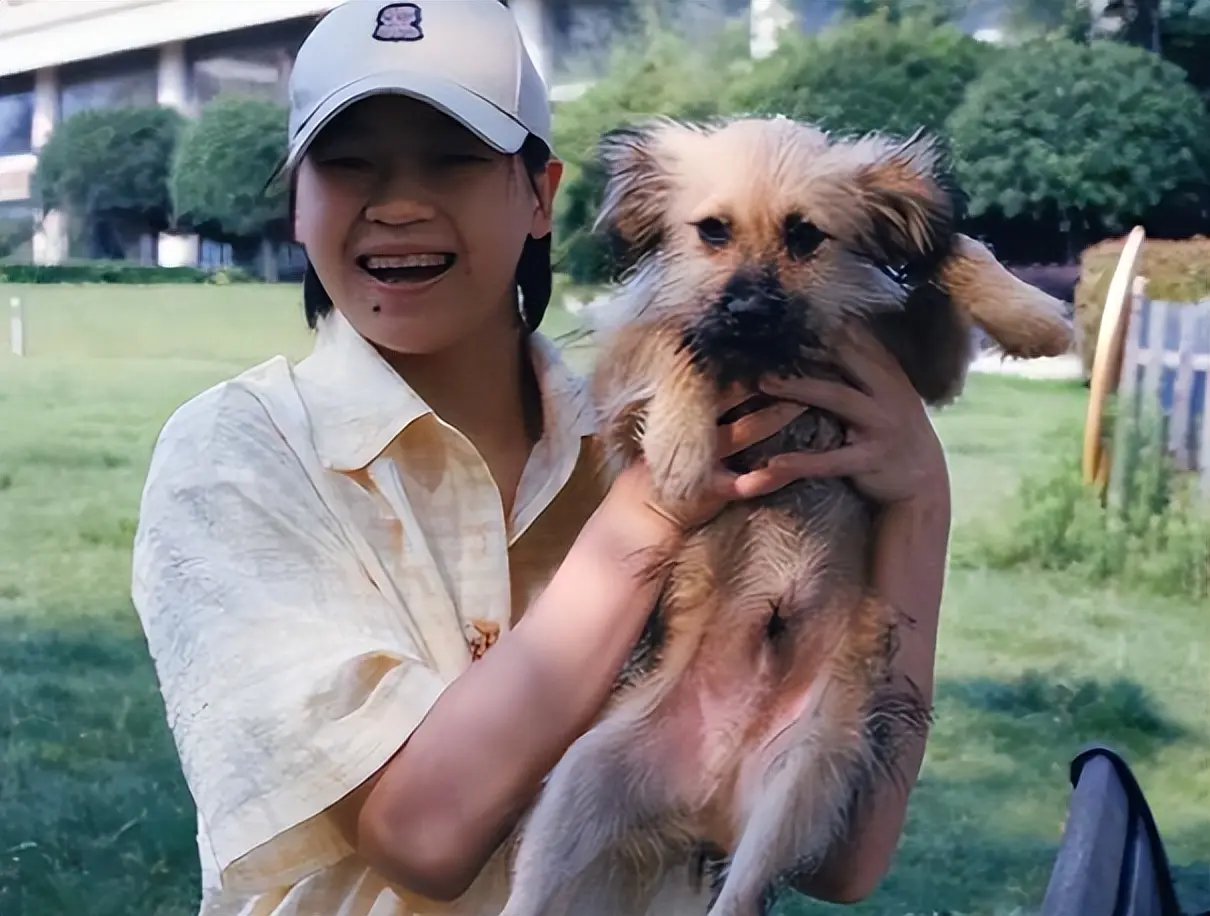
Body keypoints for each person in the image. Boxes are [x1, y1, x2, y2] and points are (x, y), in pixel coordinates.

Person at [129, 1, 953, 914]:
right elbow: (422, 832)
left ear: (539, 195)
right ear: (298, 202)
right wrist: (653, 513)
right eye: (347, 162)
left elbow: (845, 858)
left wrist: (919, 503)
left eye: (454, 159)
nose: (398, 204)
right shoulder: (239, 458)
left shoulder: (649, 429)